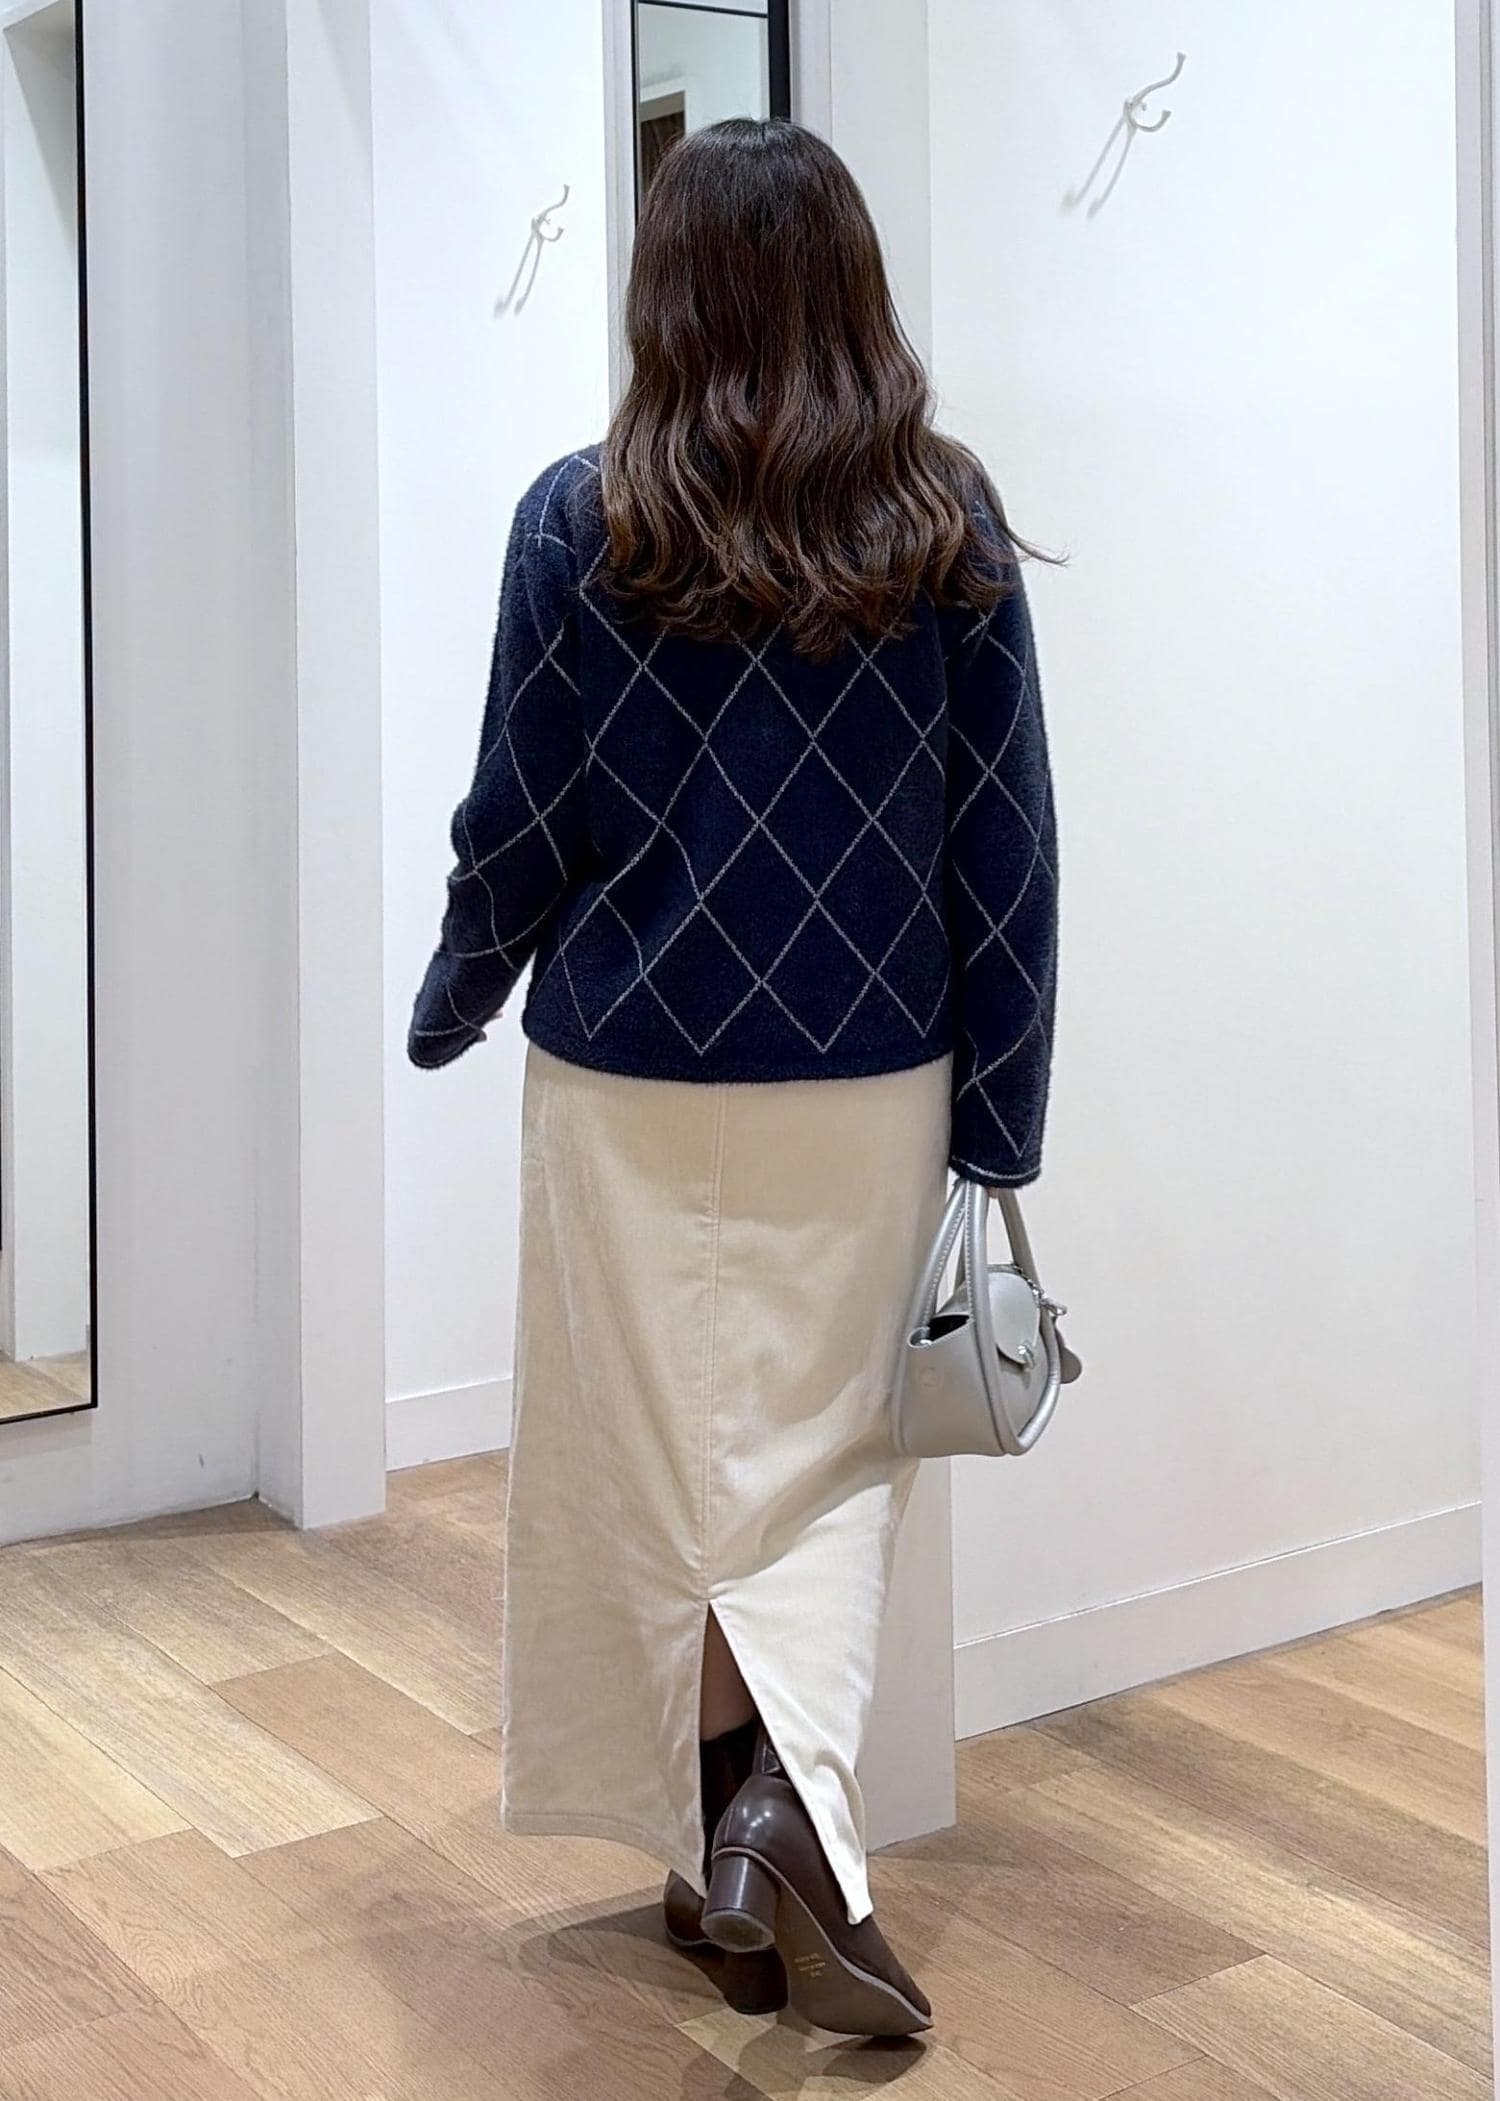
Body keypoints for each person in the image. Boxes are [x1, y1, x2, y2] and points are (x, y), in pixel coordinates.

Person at [407, 115, 1059, 2039]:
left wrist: (457, 989)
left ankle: (732, 1849)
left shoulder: (579, 518)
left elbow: (520, 815)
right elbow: (1007, 844)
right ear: (854, 286)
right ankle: (772, 1826)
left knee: (653, 1479)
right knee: (832, 1471)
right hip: (868, 1076)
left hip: (623, 1078)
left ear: (664, 293)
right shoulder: (941, 524)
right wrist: (1005, 1120)